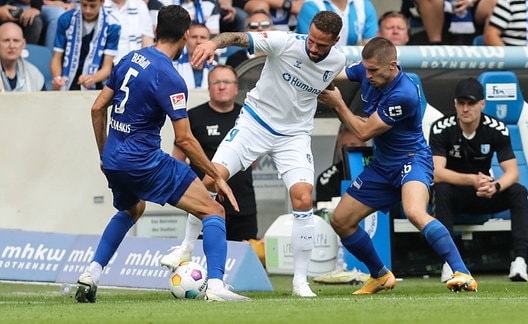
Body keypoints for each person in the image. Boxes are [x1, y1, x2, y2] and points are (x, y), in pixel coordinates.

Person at [160, 10, 346, 298]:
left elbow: (333, 80)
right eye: (311, 40)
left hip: (294, 136)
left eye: (321, 45)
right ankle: (185, 247)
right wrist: (212, 44)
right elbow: (237, 36)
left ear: (334, 42)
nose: (313, 48)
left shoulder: (338, 61)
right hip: (255, 124)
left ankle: (300, 283)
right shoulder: (284, 42)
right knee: (211, 179)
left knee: (303, 197)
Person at [74, 4, 250, 303]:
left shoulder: (129, 59)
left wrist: (105, 154)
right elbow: (184, 138)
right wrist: (215, 175)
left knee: (132, 209)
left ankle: (93, 271)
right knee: (214, 210)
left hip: (115, 160)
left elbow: (96, 107)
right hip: (144, 162)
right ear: (185, 36)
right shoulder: (169, 77)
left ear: (155, 30)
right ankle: (217, 286)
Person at [317, 37, 478, 294]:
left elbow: (363, 132)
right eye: (365, 69)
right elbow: (335, 73)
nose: (367, 75)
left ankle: (462, 272)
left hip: (412, 160)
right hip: (383, 166)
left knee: (414, 212)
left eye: (373, 71)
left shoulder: (404, 94)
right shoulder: (367, 69)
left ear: (392, 65)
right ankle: (380, 275)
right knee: (341, 221)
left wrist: (338, 104)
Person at [428, 77, 528, 282]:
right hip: (455, 193)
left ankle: (520, 261)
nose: (466, 109)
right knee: (441, 189)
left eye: (471, 103)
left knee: (519, 191)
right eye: (461, 103)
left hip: (484, 192)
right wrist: (472, 179)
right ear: (455, 104)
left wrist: (495, 185)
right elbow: (436, 172)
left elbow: (512, 171)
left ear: (482, 104)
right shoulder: (441, 128)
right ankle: (450, 263)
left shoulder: (497, 128)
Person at [172, 65, 258, 242]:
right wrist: (195, 190)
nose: (221, 86)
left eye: (227, 82)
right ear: (209, 88)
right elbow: (177, 161)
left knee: (244, 258)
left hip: (242, 204)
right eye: (216, 82)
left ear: (236, 88)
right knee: (202, 257)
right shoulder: (193, 117)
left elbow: (253, 162)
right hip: (204, 203)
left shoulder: (248, 118)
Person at [50, 0, 121, 91]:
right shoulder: (65, 19)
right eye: (84, 5)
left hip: (95, 80)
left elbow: (107, 67)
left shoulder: (113, 25)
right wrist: (57, 78)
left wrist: (93, 78)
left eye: (92, 6)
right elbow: (56, 57)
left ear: (102, 2)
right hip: (67, 78)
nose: (88, 10)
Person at [316, 124, 366, 203]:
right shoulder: (326, 179)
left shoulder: (379, 171)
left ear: (364, 145)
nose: (348, 149)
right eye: (343, 146)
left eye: (353, 144)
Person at [295, 0, 378, 46]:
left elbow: (370, 47)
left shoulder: (364, 5)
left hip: (352, 68)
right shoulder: (311, 5)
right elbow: (313, 46)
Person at [104, 0, 154, 65]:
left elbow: (148, 43)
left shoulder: (139, 5)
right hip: (106, 65)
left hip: (133, 66)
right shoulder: (100, 5)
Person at [0, 21, 44, 92]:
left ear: (23, 44)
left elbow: (45, 101)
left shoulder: (34, 74)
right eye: (6, 40)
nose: (12, 46)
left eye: (16, 41)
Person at [174, 23, 215, 90]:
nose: (198, 41)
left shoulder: (216, 68)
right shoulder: (173, 67)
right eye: (194, 37)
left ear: (209, 41)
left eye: (203, 37)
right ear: (186, 39)